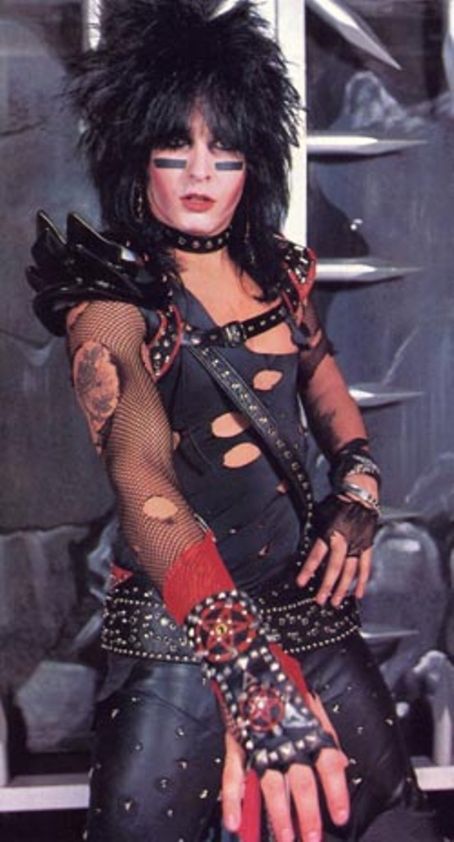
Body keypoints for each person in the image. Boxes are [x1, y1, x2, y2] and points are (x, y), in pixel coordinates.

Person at [27, 1, 442, 840]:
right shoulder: (111, 301)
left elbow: (325, 385)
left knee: (392, 826)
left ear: (254, 160)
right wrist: (245, 669)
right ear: (135, 157)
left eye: (224, 152)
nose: (199, 174)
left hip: (306, 606)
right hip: (181, 628)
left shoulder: (280, 273)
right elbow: (140, 474)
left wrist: (358, 491)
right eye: (172, 150)